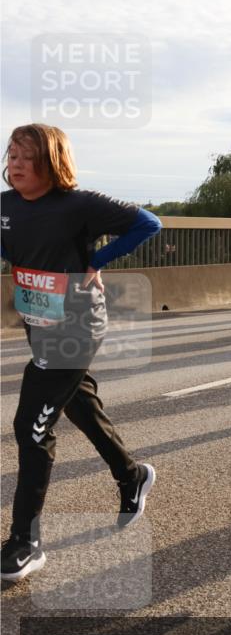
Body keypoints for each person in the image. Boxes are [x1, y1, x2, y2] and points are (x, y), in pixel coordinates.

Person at [0, 124, 161, 582]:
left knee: (30, 427)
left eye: (26, 156)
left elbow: (148, 223)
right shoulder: (5, 205)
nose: (15, 163)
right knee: (78, 405)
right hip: (38, 322)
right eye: (11, 154)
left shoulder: (79, 204)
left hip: (76, 327)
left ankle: (25, 541)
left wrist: (97, 262)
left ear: (51, 161)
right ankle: (131, 475)